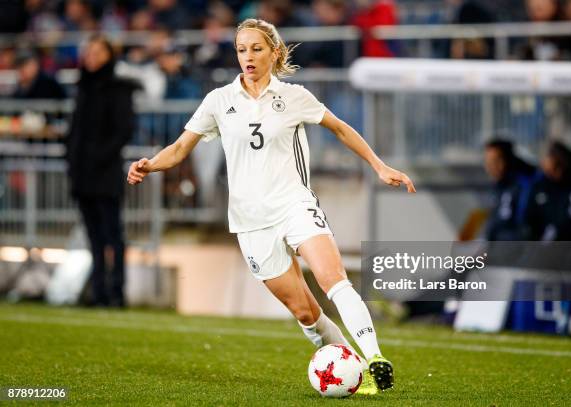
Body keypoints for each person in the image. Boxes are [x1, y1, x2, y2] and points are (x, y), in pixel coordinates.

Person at [128, 18, 415, 394]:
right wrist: (150, 163)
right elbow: (181, 148)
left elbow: (342, 128)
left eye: (256, 49)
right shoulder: (219, 101)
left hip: (294, 204)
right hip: (250, 222)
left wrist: (379, 165)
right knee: (305, 312)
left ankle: (375, 357)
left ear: (274, 52)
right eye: (241, 49)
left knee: (334, 279)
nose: (247, 56)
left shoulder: (295, 97)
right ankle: (354, 369)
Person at [66, 34, 139, 308]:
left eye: (98, 52)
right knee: (94, 237)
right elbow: (75, 131)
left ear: (109, 55)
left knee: (112, 236)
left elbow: (123, 130)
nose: (92, 57)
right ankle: (98, 292)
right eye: (89, 52)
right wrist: (72, 161)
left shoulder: (119, 88)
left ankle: (117, 293)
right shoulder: (82, 87)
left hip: (106, 173)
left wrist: (98, 157)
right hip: (82, 174)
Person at [483, 139, 535, 241]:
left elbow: (525, 230)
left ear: (506, 160)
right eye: (487, 161)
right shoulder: (497, 187)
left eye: (494, 161)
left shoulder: (524, 187)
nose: (489, 166)